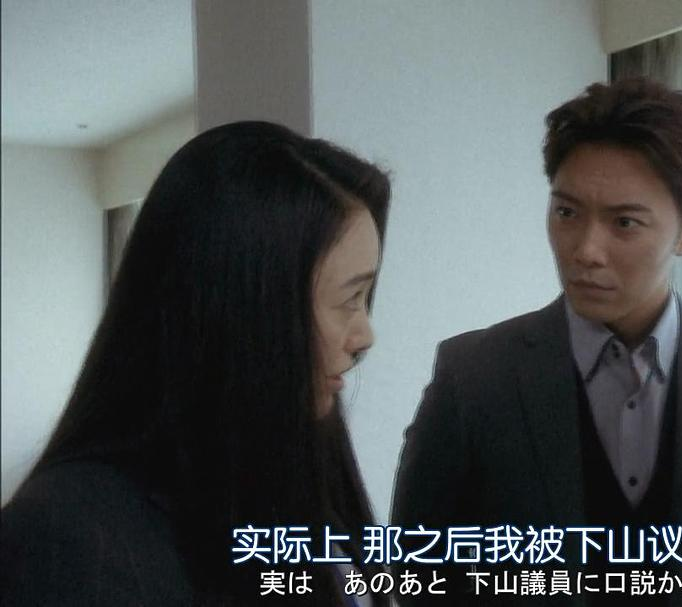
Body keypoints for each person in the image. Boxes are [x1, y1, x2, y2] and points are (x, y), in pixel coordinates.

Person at [392, 78, 682, 607]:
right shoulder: (474, 374)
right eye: (567, 213)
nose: (586, 250)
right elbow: (416, 568)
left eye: (624, 222)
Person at [1, 121, 392, 607]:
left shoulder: (293, 480)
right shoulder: (75, 539)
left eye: (365, 297)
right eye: (350, 298)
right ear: (244, 309)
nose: (364, 336)